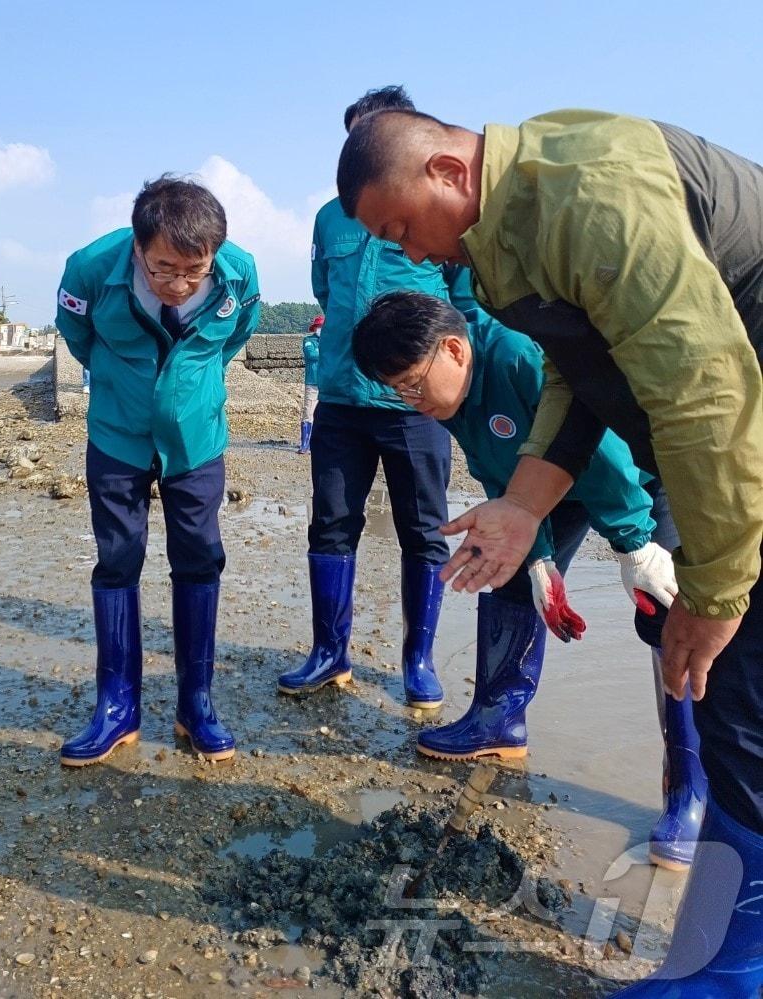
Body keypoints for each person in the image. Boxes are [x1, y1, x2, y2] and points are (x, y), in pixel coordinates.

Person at [337, 106, 763, 994]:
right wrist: (525, 509)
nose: (410, 255)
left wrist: (712, 588)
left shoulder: (592, 198)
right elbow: (584, 371)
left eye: (402, 228)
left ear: (451, 173)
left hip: (739, 416)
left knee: (735, 685)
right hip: (720, 423)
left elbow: (708, 397)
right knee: (734, 701)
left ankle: (736, 968)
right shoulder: (511, 235)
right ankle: (726, 948)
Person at [353, 286, 705, 871]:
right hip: (545, 485)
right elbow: (500, 476)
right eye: (395, 391)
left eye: (413, 382)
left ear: (454, 349)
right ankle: (499, 718)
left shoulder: (517, 354)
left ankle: (689, 786)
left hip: (640, 475)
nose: (410, 400)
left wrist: (633, 544)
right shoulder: (449, 401)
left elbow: (606, 455)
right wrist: (537, 558)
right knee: (505, 568)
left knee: (668, 613)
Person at [55, 176, 260, 767]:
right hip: (117, 434)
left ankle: (196, 703)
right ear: (138, 246)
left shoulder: (239, 274)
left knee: (199, 555)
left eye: (194, 271)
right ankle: (117, 706)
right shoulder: (91, 269)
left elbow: (233, 338)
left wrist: (185, 388)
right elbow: (78, 336)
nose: (179, 285)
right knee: (117, 558)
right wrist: (130, 382)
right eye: (163, 268)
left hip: (195, 438)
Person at [281, 86, 453, 710]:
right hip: (343, 403)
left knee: (424, 532)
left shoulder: (439, 212)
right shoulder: (331, 217)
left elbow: (466, 301)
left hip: (416, 407)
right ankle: (329, 653)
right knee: (330, 526)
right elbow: (326, 291)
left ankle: (419, 660)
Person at [297, 315, 322, 454]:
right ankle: (305, 443)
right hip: (312, 382)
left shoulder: (331, 342)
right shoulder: (308, 340)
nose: (320, 329)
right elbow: (311, 355)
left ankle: (317, 442)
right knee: (308, 412)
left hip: (326, 383)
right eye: (319, 327)